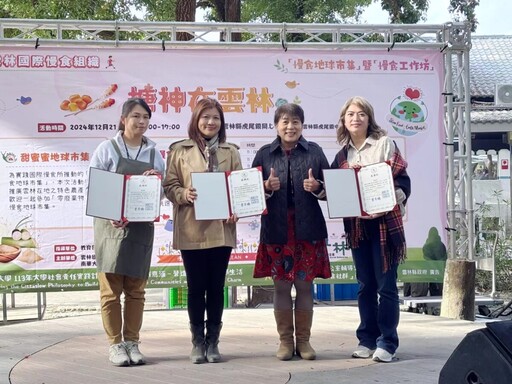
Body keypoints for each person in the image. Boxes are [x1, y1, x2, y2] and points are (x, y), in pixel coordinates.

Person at [331, 96, 411, 363]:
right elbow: (334, 190)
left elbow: (403, 182)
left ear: (369, 118)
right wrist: (318, 188)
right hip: (357, 227)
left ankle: (387, 342)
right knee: (365, 285)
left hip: (384, 225)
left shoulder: (384, 144)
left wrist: (388, 201)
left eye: (362, 113)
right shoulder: (342, 155)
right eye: (351, 114)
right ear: (344, 120)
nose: (356, 118)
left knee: (386, 286)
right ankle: (366, 339)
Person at [163, 98, 242, 364]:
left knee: (217, 287)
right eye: (205, 117)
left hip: (222, 228)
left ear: (222, 122)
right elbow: (170, 184)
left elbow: (240, 187)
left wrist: (236, 207)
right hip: (192, 228)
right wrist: (184, 193)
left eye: (216, 118)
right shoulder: (179, 150)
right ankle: (197, 342)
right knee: (196, 287)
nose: (211, 122)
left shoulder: (231, 151)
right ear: (196, 121)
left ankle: (213, 342)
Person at [252, 103, 331, 361]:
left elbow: (334, 191)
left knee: (305, 286)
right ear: (276, 125)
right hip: (276, 229)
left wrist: (318, 186)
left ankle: (304, 342)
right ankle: (285, 342)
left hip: (308, 229)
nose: (290, 126)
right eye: (285, 121)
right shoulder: (264, 154)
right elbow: (249, 196)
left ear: (302, 125)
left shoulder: (315, 152)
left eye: (295, 121)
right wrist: (265, 186)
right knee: (282, 287)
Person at [89, 98, 165, 366]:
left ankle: (132, 342)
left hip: (140, 226)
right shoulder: (106, 149)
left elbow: (163, 191)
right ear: (123, 119)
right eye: (136, 116)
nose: (141, 121)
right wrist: (111, 213)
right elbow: (96, 186)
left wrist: (156, 182)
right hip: (109, 226)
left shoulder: (155, 153)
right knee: (110, 290)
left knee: (136, 290)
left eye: (146, 117)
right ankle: (115, 345)